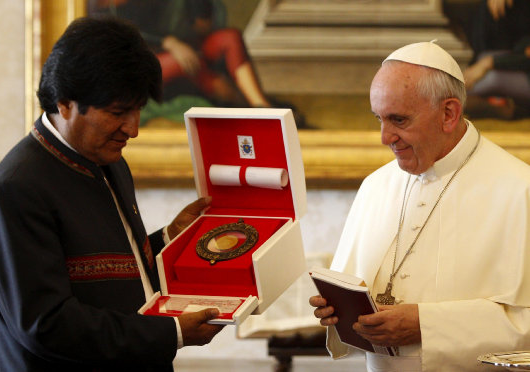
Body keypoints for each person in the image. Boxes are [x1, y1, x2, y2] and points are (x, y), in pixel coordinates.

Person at [0, 17, 223, 371]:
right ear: (64, 102)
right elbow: (46, 325)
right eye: (117, 112)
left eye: (138, 109)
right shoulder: (16, 188)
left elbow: (114, 276)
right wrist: (171, 332)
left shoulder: (109, 161)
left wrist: (170, 238)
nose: (133, 129)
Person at [309, 41, 530, 371]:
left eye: (398, 120)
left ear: (448, 114)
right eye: (379, 119)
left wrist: (426, 325)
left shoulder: (520, 189)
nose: (385, 137)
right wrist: (339, 311)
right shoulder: (376, 186)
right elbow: (353, 290)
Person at [89, 0, 272, 109]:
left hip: (186, 46)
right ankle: (243, 106)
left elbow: (203, 24)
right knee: (187, 61)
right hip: (140, 59)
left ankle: (260, 104)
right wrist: (168, 42)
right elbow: (117, 28)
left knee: (229, 37)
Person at [462, 0, 530, 119]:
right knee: (483, 58)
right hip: (516, 62)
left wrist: (489, 62)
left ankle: (453, 98)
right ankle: (502, 107)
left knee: (492, 77)